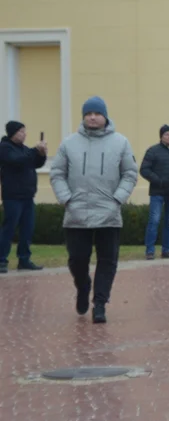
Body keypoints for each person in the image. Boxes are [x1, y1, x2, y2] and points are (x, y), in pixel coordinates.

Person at [49, 97, 138, 324]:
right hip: (76, 213)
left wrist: (118, 198)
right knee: (77, 260)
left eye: (97, 113)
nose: (92, 117)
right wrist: (66, 198)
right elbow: (57, 173)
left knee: (108, 261)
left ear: (105, 116)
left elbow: (129, 173)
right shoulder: (69, 143)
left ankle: (100, 303)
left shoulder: (121, 142)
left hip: (109, 213)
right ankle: (83, 286)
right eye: (88, 113)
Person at [0, 121, 47, 273]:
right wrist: (35, 150)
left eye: (24, 131)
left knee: (27, 229)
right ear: (12, 133)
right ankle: (1, 260)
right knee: (9, 229)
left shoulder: (24, 149)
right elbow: (17, 161)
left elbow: (35, 163)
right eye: (21, 131)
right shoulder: (5, 148)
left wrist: (41, 154)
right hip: (12, 196)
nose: (24, 134)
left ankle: (24, 259)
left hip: (27, 196)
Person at [139, 124, 169, 260]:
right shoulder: (153, 151)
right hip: (157, 193)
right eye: (167, 134)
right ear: (161, 137)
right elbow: (144, 169)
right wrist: (158, 181)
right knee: (154, 220)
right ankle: (150, 251)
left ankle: (167, 250)